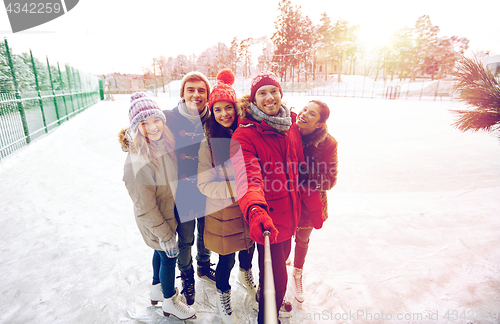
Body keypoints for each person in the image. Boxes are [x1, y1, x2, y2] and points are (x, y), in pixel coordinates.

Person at [229, 71, 324, 323]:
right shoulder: (245, 135)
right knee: (275, 278)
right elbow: (248, 178)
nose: (269, 97)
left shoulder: (290, 124)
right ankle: (267, 317)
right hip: (268, 222)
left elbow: (299, 169)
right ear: (254, 99)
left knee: (276, 272)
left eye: (273, 91)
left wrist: (314, 206)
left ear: (281, 94)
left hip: (290, 216)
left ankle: (271, 302)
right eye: (262, 93)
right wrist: (256, 211)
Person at [120, 95, 195, 320]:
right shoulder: (137, 161)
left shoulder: (161, 145)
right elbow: (144, 207)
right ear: (136, 127)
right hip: (156, 220)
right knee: (168, 256)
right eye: (144, 123)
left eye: (156, 120)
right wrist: (164, 234)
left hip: (166, 213)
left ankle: (157, 288)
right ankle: (170, 300)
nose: (153, 127)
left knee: (160, 253)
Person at [197, 69, 257, 324]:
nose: (224, 114)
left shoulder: (247, 135)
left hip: (248, 209)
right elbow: (204, 184)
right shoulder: (208, 144)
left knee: (249, 249)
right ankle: (224, 296)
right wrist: (238, 189)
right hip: (223, 214)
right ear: (212, 112)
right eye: (217, 109)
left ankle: (247, 276)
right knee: (226, 260)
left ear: (236, 107)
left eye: (228, 108)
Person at [162, 72, 216, 306]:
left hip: (208, 189)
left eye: (201, 90)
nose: (196, 94)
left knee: (206, 233)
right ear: (182, 93)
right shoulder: (168, 118)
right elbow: (143, 130)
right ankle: (187, 275)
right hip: (182, 190)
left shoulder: (214, 118)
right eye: (191, 89)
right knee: (186, 238)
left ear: (207, 95)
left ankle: (204, 265)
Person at [292, 100, 338, 303]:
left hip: (310, 205)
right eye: (304, 109)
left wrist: (302, 175)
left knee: (302, 240)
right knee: (282, 239)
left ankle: (297, 272)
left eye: (311, 114)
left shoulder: (328, 143)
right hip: (284, 198)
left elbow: (331, 179)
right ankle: (282, 264)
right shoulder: (287, 131)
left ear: (319, 124)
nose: (304, 114)